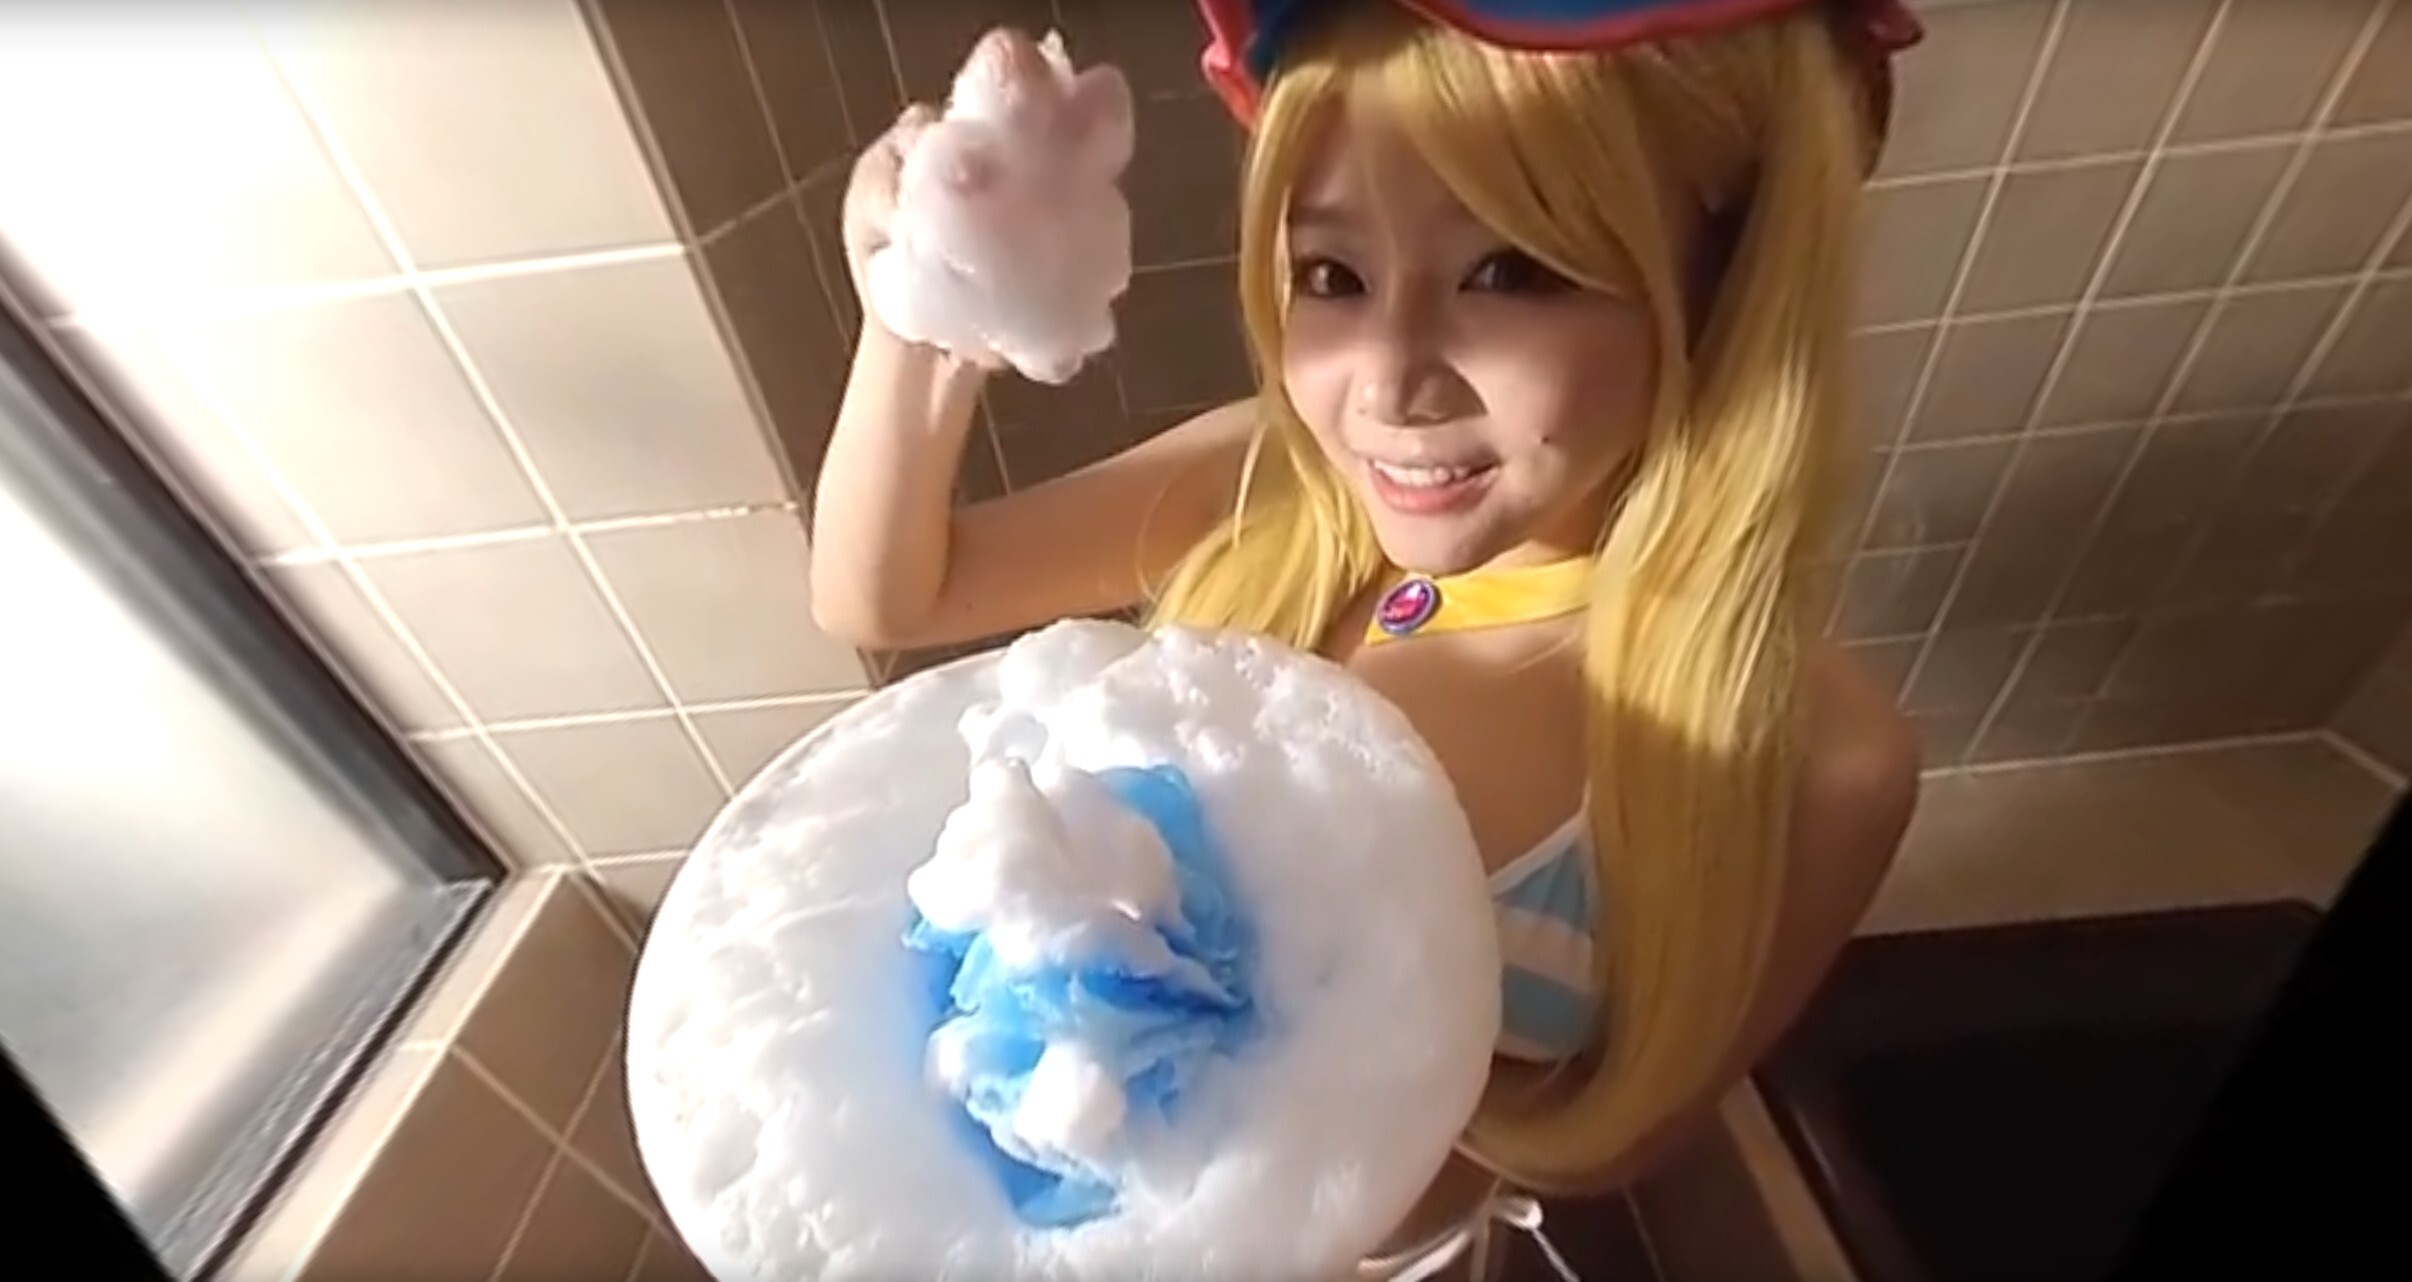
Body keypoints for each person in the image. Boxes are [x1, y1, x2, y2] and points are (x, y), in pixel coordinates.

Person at [812, 0, 1926, 1275]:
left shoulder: (1811, 756)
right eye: (1333, 276)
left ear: (1720, 288)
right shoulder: (1273, 488)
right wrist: (923, 310)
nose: (1392, 383)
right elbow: (891, 597)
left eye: (1507, 273)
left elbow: (1615, 1132)